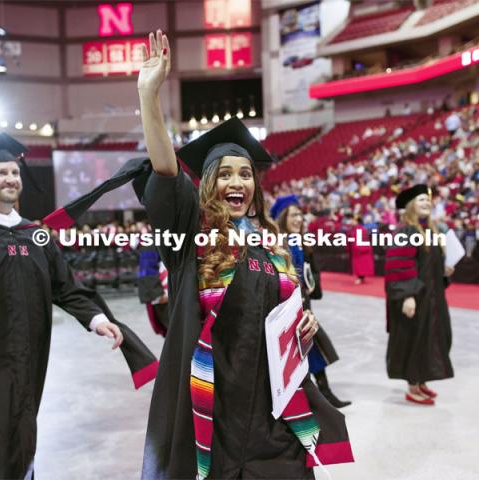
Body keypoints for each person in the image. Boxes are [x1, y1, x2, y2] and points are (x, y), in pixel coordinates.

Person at [137, 30, 353, 479]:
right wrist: (148, 94)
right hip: (212, 408)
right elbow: (165, 171)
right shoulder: (192, 239)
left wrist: (304, 325)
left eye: (246, 175)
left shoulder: (271, 246)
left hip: (273, 408)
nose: (237, 183)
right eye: (225, 174)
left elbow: (283, 313)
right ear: (209, 184)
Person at [0, 133, 159, 479]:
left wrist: (97, 319)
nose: (10, 179)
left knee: (21, 430)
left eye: (14, 172)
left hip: (28, 358)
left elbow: (66, 287)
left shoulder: (34, 237)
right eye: (1, 173)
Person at [271, 195, 351, 409]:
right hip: (288, 308)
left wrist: (312, 283)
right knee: (303, 353)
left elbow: (309, 271)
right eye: (293, 214)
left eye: (300, 215)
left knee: (312, 349)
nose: (299, 219)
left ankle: (323, 394)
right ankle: (315, 396)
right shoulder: (279, 243)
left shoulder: (300, 242)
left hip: (304, 306)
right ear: (283, 217)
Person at [385, 184, 454, 406]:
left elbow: (427, 265)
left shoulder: (430, 231)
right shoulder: (406, 231)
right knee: (414, 340)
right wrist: (407, 296)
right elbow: (400, 265)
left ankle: (421, 380)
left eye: (428, 200)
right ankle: (413, 387)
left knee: (433, 337)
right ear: (411, 206)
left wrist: (444, 270)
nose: (426, 203)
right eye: (421, 200)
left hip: (432, 298)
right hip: (415, 298)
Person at [348, 215, 375, 285]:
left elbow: (364, 240)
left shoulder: (361, 229)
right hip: (355, 251)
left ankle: (360, 277)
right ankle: (360, 277)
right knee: (358, 265)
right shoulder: (353, 229)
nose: (352, 221)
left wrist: (359, 248)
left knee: (361, 265)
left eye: (353, 220)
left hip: (360, 250)